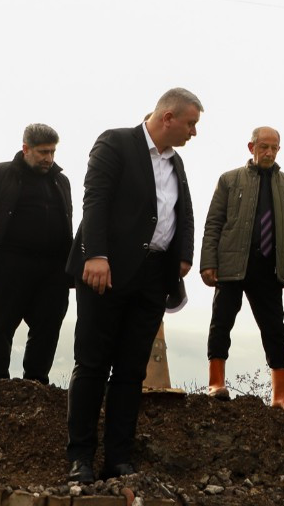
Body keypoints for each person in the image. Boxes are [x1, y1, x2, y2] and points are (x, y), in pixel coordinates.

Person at [65, 88, 200, 484]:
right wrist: (96, 255)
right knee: (92, 364)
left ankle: (118, 458)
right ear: (168, 117)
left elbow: (182, 211)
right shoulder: (116, 142)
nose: (194, 132)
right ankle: (80, 459)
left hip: (152, 278)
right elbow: (96, 200)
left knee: (130, 370)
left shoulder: (176, 164)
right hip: (105, 271)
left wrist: (183, 255)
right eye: (191, 123)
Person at [199, 126, 284, 415]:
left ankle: (282, 394)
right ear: (251, 147)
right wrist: (208, 262)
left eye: (274, 148)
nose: (269, 152)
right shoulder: (229, 180)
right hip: (232, 263)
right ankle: (216, 382)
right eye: (264, 147)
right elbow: (214, 223)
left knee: (274, 328)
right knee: (222, 320)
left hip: (270, 267)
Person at [0, 123, 72, 385]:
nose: (48, 158)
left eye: (52, 152)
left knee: (48, 325)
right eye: (43, 152)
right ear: (26, 149)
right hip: (9, 264)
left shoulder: (61, 181)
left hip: (53, 268)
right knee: (0, 325)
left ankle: (36, 382)